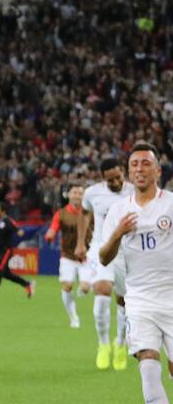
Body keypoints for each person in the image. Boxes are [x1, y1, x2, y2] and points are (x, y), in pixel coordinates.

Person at [101, 142, 173, 404]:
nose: (140, 169)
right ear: (130, 173)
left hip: (172, 294)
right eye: (134, 164)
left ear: (158, 172)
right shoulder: (119, 211)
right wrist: (118, 234)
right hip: (140, 298)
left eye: (146, 163)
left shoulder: (171, 205)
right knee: (148, 362)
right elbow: (104, 257)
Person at [80, 158, 134, 370]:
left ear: (123, 172)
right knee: (102, 291)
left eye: (118, 177)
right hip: (100, 248)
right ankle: (103, 344)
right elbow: (84, 213)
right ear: (103, 179)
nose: (115, 182)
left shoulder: (133, 191)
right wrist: (80, 242)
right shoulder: (92, 193)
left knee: (123, 301)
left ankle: (120, 344)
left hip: (126, 252)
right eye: (110, 180)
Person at [45, 184, 90, 328]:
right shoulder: (61, 213)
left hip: (87, 256)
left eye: (80, 193)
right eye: (74, 192)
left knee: (85, 288)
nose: (77, 195)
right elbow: (54, 227)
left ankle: (83, 288)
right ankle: (74, 318)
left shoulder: (90, 212)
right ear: (69, 195)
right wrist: (51, 234)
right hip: (68, 256)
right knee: (67, 285)